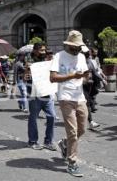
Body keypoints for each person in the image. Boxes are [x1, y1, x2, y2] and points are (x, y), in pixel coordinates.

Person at [50, 30, 89, 177]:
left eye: (80, 47)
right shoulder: (59, 56)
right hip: (65, 97)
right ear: (69, 45)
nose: (78, 49)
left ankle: (64, 143)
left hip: (80, 97)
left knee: (82, 129)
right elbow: (52, 77)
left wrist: (84, 78)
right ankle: (72, 163)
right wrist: (73, 76)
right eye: (76, 47)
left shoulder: (82, 57)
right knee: (72, 132)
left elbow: (85, 75)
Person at [24, 43, 57, 151]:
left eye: (44, 50)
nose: (44, 52)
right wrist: (27, 71)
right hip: (35, 95)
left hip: (47, 93)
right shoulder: (29, 61)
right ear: (34, 50)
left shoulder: (47, 60)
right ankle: (32, 141)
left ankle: (48, 141)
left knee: (52, 116)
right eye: (41, 50)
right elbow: (25, 78)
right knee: (33, 118)